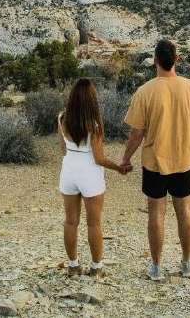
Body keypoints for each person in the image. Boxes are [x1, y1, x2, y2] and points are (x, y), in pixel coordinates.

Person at [120, 38, 190, 281]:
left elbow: (136, 134)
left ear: (155, 61)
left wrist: (125, 159)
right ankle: (187, 264)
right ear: (176, 59)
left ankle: (156, 267)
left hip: (155, 163)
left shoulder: (145, 91)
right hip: (183, 160)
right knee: (185, 211)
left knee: (156, 214)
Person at [58, 77, 128, 276]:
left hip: (69, 170)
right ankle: (96, 268)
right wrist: (118, 168)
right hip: (89, 173)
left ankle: (73, 265)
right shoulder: (94, 125)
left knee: (70, 221)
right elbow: (99, 159)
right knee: (94, 223)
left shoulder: (62, 118)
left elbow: (63, 148)